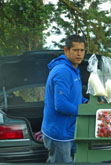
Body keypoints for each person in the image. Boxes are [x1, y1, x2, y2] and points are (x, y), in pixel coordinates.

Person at [41, 34, 88, 163]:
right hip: (59, 133)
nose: (79, 54)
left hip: (70, 130)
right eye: (75, 50)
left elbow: (73, 96)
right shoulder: (63, 71)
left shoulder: (73, 69)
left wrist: (86, 102)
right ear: (66, 50)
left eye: (82, 50)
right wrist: (85, 112)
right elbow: (61, 104)